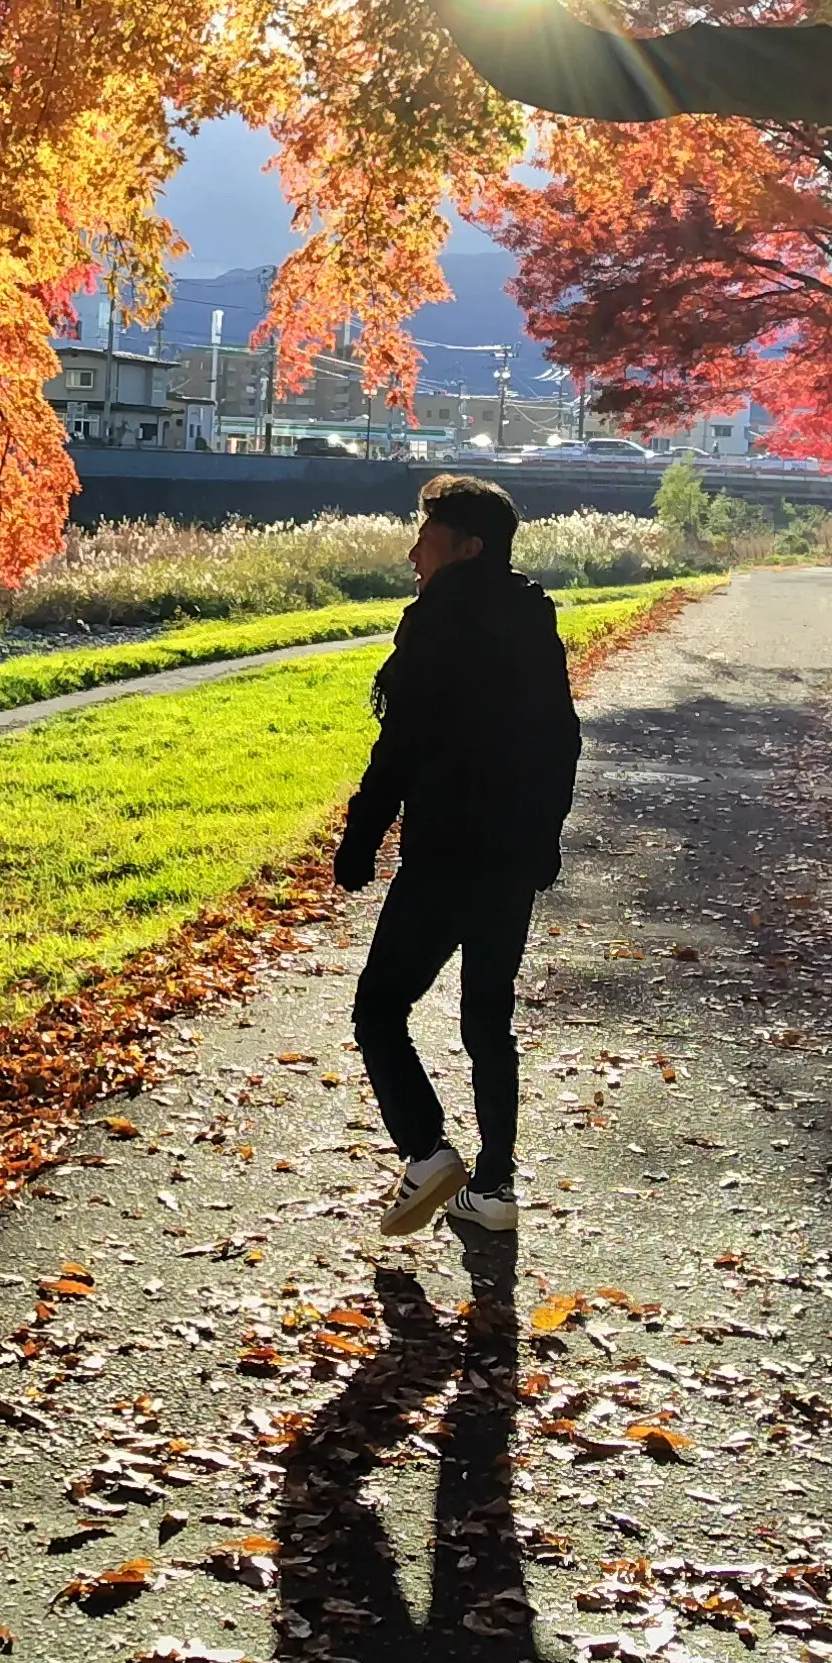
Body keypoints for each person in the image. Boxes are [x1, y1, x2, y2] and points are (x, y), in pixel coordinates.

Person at [333, 473, 581, 1236]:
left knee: (379, 1008)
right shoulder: (534, 621)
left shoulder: (439, 622)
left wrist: (361, 837)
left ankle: (425, 1152)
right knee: (487, 1022)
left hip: (445, 853)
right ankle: (496, 1189)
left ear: (468, 548)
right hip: (511, 860)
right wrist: (544, 843)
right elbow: (562, 742)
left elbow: (400, 744)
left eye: (427, 539)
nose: (414, 554)